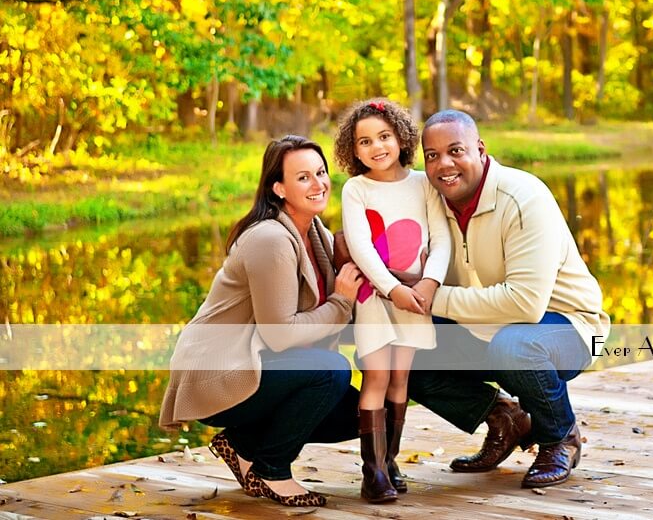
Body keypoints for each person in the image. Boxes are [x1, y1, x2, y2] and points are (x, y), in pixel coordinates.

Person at [408, 110, 610, 489]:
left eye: (455, 151)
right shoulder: (430, 202)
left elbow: (526, 304)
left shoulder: (523, 197)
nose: (444, 164)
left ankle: (559, 437)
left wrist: (431, 298)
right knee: (399, 347)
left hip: (571, 326)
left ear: (481, 150)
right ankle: (505, 418)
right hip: (487, 327)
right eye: (431, 155)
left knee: (514, 346)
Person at [159, 135, 363, 508]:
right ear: (278, 187)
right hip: (219, 369)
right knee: (331, 370)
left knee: (360, 413)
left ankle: (243, 445)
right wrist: (341, 301)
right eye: (303, 177)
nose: (318, 184)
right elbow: (282, 334)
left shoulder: (314, 232)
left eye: (320, 172)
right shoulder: (270, 238)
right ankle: (272, 470)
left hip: (258, 362)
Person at [333, 99, 451, 503]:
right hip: (375, 297)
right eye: (365, 141)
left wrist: (430, 282)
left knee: (401, 378)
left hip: (416, 297)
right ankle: (373, 473)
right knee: (377, 376)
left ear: (402, 137)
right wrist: (392, 289)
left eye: (384, 137)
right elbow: (362, 247)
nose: (377, 147)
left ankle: (391, 460)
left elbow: (441, 238)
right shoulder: (356, 189)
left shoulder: (422, 183)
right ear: (353, 149)